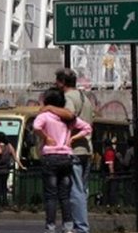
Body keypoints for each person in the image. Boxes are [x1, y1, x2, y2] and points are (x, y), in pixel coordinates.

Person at [42, 68, 94, 233]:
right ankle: (81, 224)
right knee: (82, 190)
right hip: (86, 148)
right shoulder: (84, 97)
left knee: (75, 191)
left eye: (57, 81)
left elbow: (69, 114)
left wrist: (49, 108)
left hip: (74, 150)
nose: (55, 84)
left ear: (63, 83)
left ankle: (80, 228)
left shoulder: (69, 97)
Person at [0, 132, 23, 206]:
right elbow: (15, 158)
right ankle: (5, 202)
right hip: (5, 170)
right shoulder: (9, 146)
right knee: (4, 186)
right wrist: (21, 166)